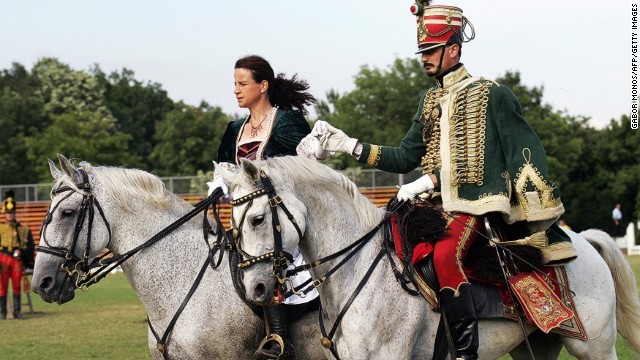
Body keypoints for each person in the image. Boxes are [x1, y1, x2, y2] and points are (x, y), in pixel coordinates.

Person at [311, 3, 577, 359]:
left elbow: (504, 155)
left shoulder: (491, 93)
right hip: (429, 208)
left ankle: (465, 352)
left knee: (445, 255)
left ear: (453, 48)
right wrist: (349, 144)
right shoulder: (429, 100)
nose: (424, 58)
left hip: (473, 205)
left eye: (431, 50)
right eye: (422, 51)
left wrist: (430, 181)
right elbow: (405, 156)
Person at [208, 55, 319, 360]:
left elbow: (306, 167)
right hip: (246, 214)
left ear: (263, 86)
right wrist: (218, 185)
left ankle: (280, 338)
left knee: (269, 257)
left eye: (242, 83)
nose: (236, 89)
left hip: (282, 213)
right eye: (234, 83)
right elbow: (226, 168)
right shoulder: (234, 128)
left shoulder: (286, 121)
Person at [0, 190, 35, 320]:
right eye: (8, 213)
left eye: (12, 212)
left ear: (15, 213)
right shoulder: (1, 227)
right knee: (2, 287)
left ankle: (17, 312)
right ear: (5, 213)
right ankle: (3, 313)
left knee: (16, 286)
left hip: (16, 260)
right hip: (3, 258)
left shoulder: (22, 229)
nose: (10, 215)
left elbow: (28, 245)